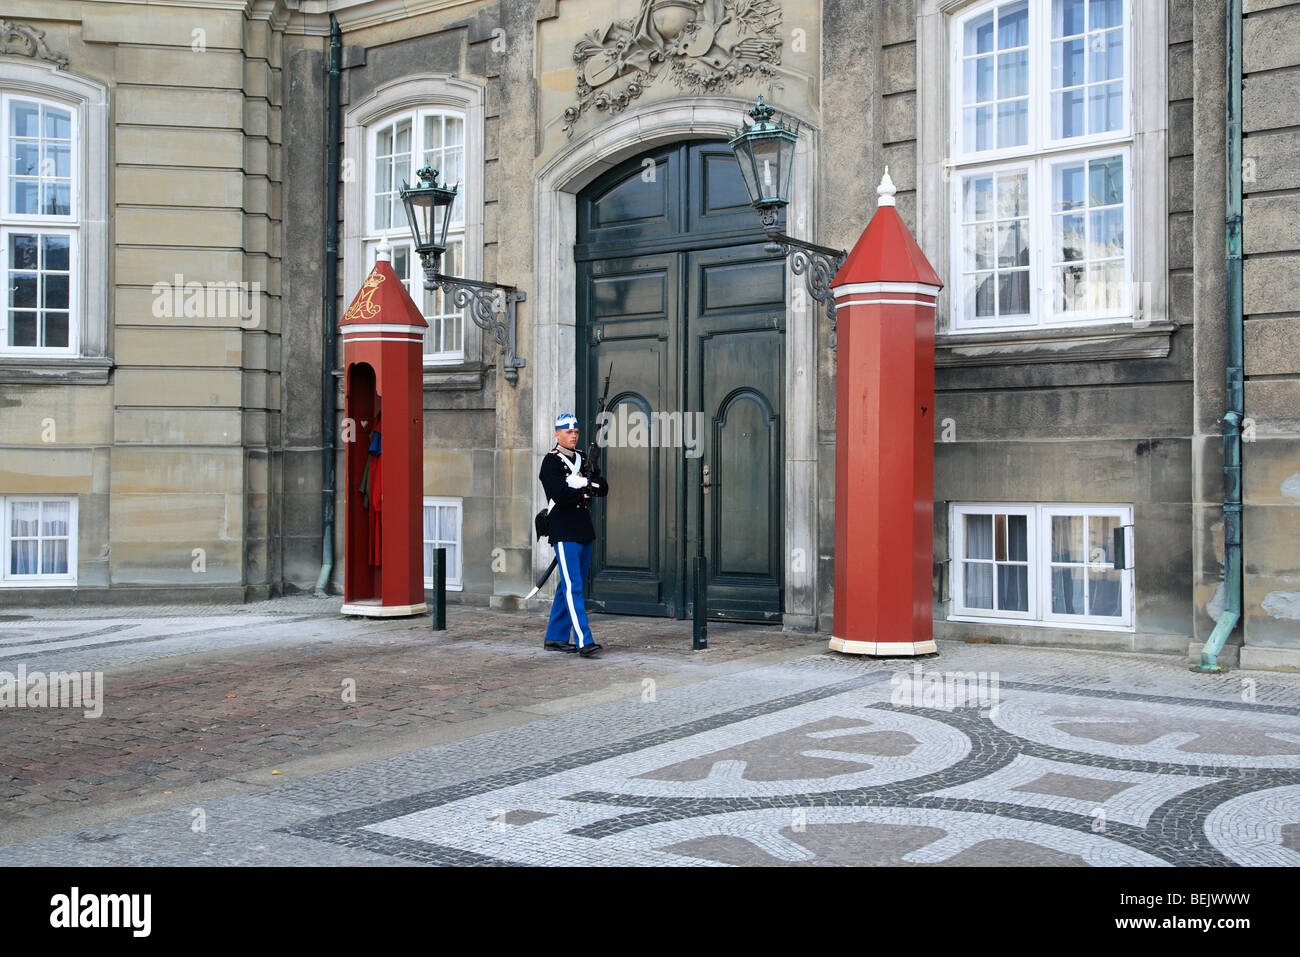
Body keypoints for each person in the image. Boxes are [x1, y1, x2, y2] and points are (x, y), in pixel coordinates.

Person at [539, 412, 610, 658]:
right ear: (557, 434)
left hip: (582, 527)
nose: (573, 436)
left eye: (576, 432)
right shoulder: (551, 462)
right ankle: (583, 640)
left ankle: (556, 637)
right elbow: (560, 494)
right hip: (563, 528)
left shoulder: (583, 458)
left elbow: (604, 487)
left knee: (568, 585)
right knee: (574, 586)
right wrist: (585, 489)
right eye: (568, 432)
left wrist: (584, 485)